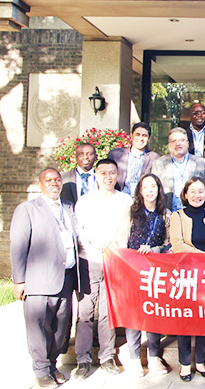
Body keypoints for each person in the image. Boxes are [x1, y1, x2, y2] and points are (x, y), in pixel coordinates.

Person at [10, 168, 78, 388]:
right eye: (48, 180)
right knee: (39, 327)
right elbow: (18, 246)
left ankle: (52, 365)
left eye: (57, 180)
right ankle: (41, 370)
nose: (54, 183)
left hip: (66, 278)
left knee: (60, 328)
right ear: (40, 184)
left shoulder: (68, 206)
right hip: (39, 280)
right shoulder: (27, 209)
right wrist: (19, 280)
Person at [74, 158, 132, 379]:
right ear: (96, 176)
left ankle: (107, 356)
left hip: (114, 261)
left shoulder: (125, 200)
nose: (108, 177)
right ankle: (83, 359)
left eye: (112, 173)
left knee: (109, 311)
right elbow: (79, 229)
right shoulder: (85, 201)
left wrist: (117, 244)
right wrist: (92, 241)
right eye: (104, 173)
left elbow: (128, 230)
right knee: (85, 312)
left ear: (117, 175)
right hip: (89, 260)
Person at [170, 176, 205, 382]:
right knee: (185, 320)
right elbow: (177, 244)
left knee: (203, 319)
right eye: (192, 191)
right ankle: (184, 364)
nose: (197, 195)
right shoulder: (177, 216)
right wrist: (203, 257)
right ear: (185, 194)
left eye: (201, 191)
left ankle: (200, 362)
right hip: (185, 275)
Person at [122, 173, 171, 377]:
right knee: (133, 313)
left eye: (154, 186)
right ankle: (134, 358)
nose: (150, 191)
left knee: (154, 312)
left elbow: (169, 242)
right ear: (140, 191)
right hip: (133, 268)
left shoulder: (165, 214)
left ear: (159, 189)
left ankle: (153, 356)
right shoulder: (130, 212)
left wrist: (155, 250)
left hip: (155, 269)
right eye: (146, 187)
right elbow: (122, 238)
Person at [151, 127, 205, 211]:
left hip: (195, 212)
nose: (178, 144)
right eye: (173, 141)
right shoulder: (159, 163)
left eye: (181, 140)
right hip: (168, 212)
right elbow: (154, 190)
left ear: (188, 144)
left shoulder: (201, 163)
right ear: (169, 145)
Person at [107, 122, 160, 196]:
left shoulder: (154, 157)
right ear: (131, 136)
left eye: (144, 136)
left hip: (142, 197)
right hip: (119, 196)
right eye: (137, 135)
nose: (141, 139)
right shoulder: (116, 155)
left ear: (149, 138)